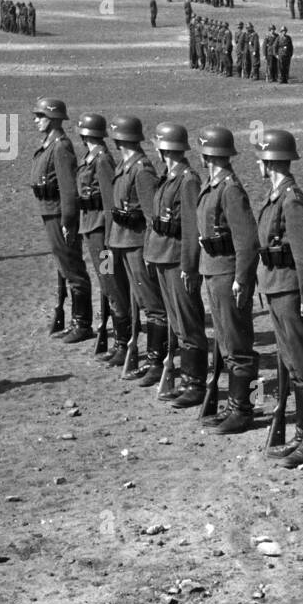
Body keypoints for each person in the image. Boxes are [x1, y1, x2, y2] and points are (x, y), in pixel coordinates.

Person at [253, 129, 303, 466]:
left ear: (268, 163)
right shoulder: (276, 196)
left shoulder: (290, 199)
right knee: (294, 365)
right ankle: (301, 436)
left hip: (291, 293)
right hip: (276, 287)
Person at [195, 126, 259, 434]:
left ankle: (243, 410)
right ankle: (234, 406)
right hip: (214, 269)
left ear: (208, 155)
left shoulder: (229, 189)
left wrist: (242, 279)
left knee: (237, 342)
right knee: (225, 340)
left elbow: (247, 241)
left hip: (227, 273)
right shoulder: (214, 185)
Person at [145, 123, 207, 402]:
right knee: (177, 321)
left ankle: (195, 384)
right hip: (162, 254)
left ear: (164, 147)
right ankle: (185, 379)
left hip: (177, 258)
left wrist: (189, 266)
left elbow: (192, 229)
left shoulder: (187, 180)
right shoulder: (169, 176)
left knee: (188, 321)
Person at [29, 97, 92, 342]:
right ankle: (74, 320)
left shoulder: (61, 146)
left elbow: (68, 190)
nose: (36, 120)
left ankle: (82, 323)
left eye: (41, 116)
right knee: (63, 266)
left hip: (58, 214)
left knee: (72, 268)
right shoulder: (49, 144)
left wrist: (68, 222)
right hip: (49, 211)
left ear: (54, 118)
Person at [108, 116, 161, 375]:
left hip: (137, 244)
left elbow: (152, 218)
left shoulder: (141, 170)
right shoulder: (125, 165)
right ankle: (129, 347)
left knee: (151, 303)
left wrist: (150, 252)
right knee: (129, 294)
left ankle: (155, 361)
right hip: (120, 242)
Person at [75, 113, 129, 363]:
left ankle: (122, 343)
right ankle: (119, 341)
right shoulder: (91, 158)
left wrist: (109, 240)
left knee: (112, 284)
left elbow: (109, 203)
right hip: (91, 229)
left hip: (102, 234)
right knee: (106, 284)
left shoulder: (102, 160)